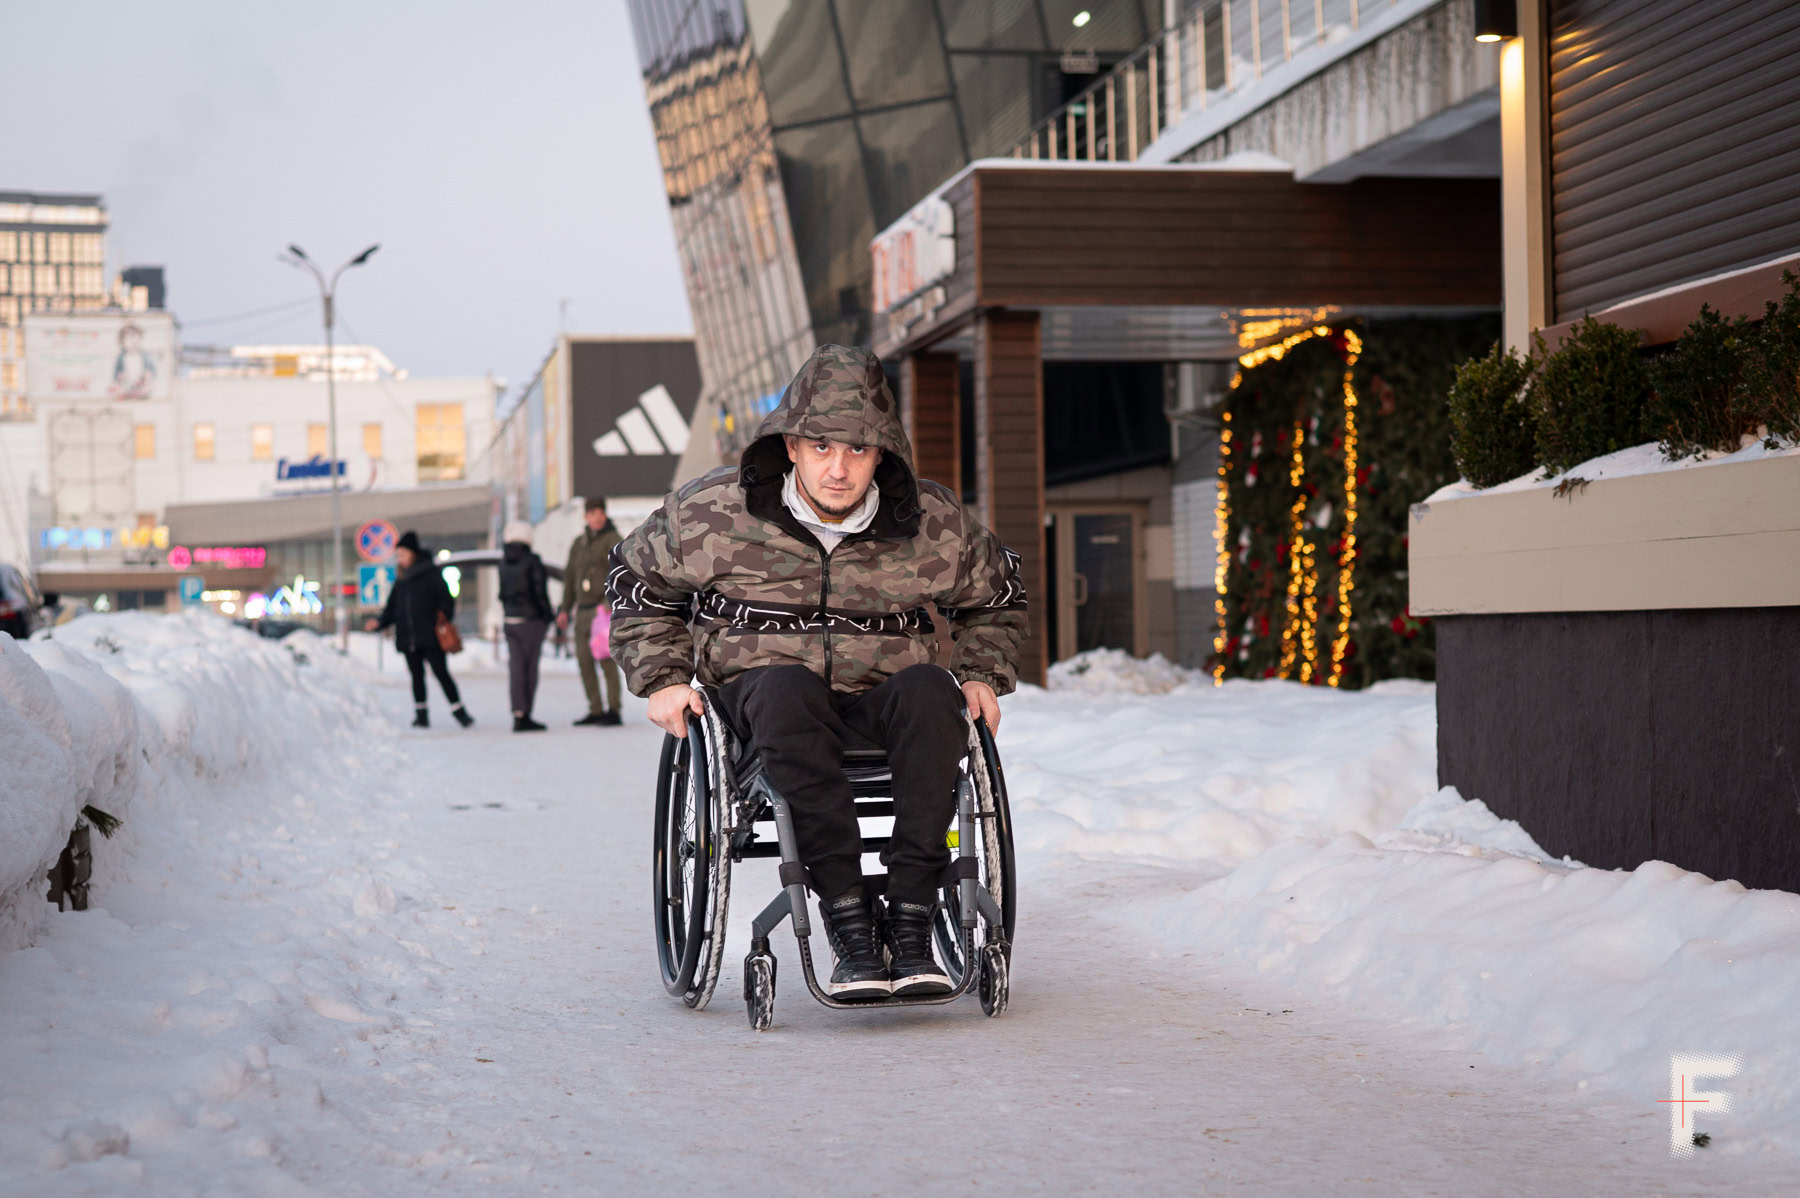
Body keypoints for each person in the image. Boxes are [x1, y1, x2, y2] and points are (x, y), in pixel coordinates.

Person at [608, 344, 1026, 1000]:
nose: (838, 468)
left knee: (932, 689)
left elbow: (997, 597)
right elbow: (636, 580)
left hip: (882, 698)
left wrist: (980, 672)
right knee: (786, 687)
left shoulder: (933, 522)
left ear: (882, 454)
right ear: (792, 446)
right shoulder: (711, 511)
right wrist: (663, 677)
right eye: (822, 447)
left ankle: (911, 918)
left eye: (858, 449)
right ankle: (850, 921)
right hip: (762, 701)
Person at [366, 531, 472, 729]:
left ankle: (460, 713)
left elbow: (447, 601)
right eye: (398, 555)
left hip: (431, 636)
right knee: (416, 676)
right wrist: (379, 623)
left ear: (413, 553)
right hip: (408, 637)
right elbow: (392, 609)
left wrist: (440, 619)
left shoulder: (431, 575)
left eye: (403, 554)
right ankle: (421, 716)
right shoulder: (401, 580)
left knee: (441, 673)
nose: (400, 559)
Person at [558, 496, 623, 726]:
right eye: (593, 513)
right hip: (582, 611)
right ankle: (595, 709)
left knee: (606, 660)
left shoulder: (613, 540)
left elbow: (620, 573)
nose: (597, 517)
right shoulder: (579, 543)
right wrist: (564, 609)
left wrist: (609, 602)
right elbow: (570, 578)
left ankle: (613, 710)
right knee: (584, 662)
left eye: (601, 513)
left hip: (602, 611)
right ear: (586, 516)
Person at [498, 520, 553, 733]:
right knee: (529, 669)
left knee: (516, 669)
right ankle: (526, 715)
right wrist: (547, 615)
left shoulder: (503, 562)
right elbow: (539, 592)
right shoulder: (532, 561)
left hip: (510, 620)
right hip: (531, 621)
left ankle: (517, 713)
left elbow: (502, 593)